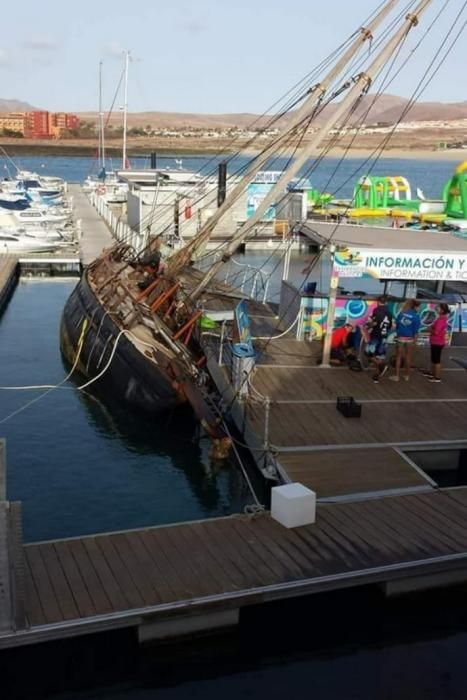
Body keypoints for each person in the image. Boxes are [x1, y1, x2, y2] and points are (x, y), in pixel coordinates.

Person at [389, 298, 421, 382]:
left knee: (398, 357)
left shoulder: (402, 313)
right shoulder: (416, 317)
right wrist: (415, 341)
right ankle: (407, 375)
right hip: (410, 339)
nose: (419, 309)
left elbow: (397, 325)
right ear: (415, 307)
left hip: (400, 338)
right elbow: (416, 331)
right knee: (408, 357)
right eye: (418, 307)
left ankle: (396, 376)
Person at [365, 295, 393, 383]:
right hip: (384, 336)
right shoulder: (389, 312)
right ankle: (376, 376)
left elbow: (374, 323)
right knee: (379, 355)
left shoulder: (377, 310)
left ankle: (381, 365)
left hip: (376, 335)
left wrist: (368, 325)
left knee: (367, 352)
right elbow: (390, 326)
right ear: (386, 302)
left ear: (378, 302)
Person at [422, 303, 450, 383]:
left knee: (436, 360)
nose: (436, 309)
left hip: (438, 342)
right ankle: (432, 373)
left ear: (442, 310)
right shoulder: (441, 318)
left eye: (438, 308)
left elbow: (436, 332)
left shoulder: (441, 320)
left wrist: (429, 329)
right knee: (433, 359)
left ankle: (437, 377)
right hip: (435, 342)